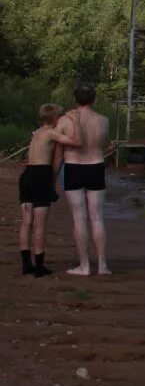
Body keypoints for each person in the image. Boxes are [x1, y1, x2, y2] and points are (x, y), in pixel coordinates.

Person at [56, 82, 111, 276]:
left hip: (74, 166)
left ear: (75, 99)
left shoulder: (64, 120)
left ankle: (85, 265)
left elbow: (59, 148)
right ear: (94, 99)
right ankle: (102, 265)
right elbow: (103, 143)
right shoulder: (103, 120)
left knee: (79, 218)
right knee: (97, 217)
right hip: (95, 165)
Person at [19, 104, 81, 276]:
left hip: (27, 174)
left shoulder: (37, 132)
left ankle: (26, 265)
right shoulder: (52, 133)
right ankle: (39, 266)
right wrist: (74, 121)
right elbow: (76, 142)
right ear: (55, 119)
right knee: (40, 224)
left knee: (26, 222)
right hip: (41, 174)